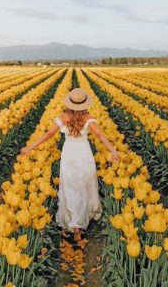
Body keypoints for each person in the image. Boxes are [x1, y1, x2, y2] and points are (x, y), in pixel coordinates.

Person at [20, 88, 119, 241]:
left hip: (69, 154)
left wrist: (30, 147)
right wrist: (112, 149)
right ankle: (81, 220)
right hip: (84, 153)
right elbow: (99, 135)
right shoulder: (87, 118)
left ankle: (74, 224)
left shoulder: (64, 117)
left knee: (71, 186)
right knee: (84, 185)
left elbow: (48, 134)